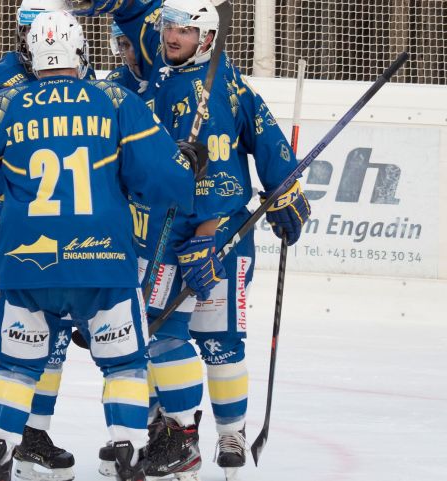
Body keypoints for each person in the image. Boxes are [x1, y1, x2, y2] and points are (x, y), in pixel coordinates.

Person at [0, 10, 201, 481]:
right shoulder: (114, 99)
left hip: (28, 264)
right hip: (103, 262)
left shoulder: (5, 104)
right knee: (124, 364)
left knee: (17, 367)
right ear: (81, 51)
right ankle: (128, 453)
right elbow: (161, 180)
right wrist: (183, 167)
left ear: (32, 53)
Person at [74, 0, 311, 479]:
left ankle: (226, 432)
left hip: (216, 237)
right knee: (154, 333)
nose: (170, 36)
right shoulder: (160, 71)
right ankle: (166, 431)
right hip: (161, 233)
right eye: (168, 27)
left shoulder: (213, 91)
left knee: (217, 340)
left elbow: (233, 164)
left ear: (206, 38)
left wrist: (283, 192)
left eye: (183, 30)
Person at [0, 2, 93, 480]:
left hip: (48, 236)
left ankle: (33, 435)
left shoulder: (82, 78)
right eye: (33, 30)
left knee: (50, 340)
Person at [105, 21, 146, 94]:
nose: (132, 53)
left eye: (139, 43)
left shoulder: (166, 77)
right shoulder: (116, 82)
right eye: (125, 45)